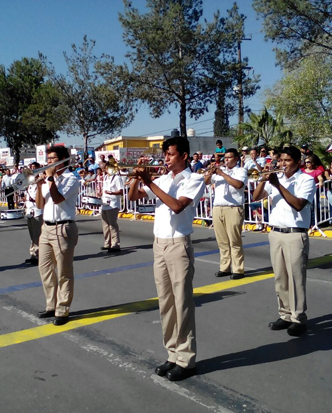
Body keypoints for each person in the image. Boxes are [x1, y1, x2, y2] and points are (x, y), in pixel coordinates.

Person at [128, 136, 205, 382]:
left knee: (182, 302)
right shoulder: (161, 179)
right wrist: (136, 179)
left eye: (170, 154)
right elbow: (133, 198)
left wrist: (150, 180)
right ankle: (172, 353)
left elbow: (177, 206)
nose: (166, 158)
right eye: (165, 154)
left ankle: (186, 358)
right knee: (165, 303)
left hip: (178, 244)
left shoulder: (194, 179)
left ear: (183, 155)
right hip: (159, 244)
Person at [252, 146, 315, 337]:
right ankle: (285, 314)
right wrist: (264, 180)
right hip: (276, 232)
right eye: (280, 161)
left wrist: (278, 185)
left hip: (295, 233)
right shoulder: (275, 178)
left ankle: (298, 318)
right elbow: (255, 197)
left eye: (287, 161)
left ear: (297, 161)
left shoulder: (306, 179)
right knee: (280, 277)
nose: (282, 164)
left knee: (296, 278)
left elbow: (298, 204)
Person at [35, 146, 80, 326]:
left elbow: (58, 199)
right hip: (46, 227)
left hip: (63, 228)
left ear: (63, 161)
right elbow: (40, 204)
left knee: (64, 271)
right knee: (44, 269)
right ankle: (50, 305)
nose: (49, 162)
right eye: (49, 159)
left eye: (53, 159)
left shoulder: (72, 179)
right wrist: (39, 185)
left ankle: (63, 309)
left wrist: (51, 178)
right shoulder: (47, 180)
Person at [204, 148, 247, 279]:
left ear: (236, 158)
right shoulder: (218, 172)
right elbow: (205, 182)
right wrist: (210, 172)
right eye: (225, 158)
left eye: (229, 157)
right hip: (218, 207)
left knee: (234, 240)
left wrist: (222, 174)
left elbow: (238, 184)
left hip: (233, 208)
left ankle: (238, 269)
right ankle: (225, 267)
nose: (226, 160)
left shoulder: (240, 171)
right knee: (222, 241)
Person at [101, 163, 124, 252]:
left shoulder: (117, 178)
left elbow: (121, 191)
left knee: (112, 225)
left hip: (113, 204)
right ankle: (107, 243)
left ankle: (115, 244)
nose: (106, 170)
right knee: (105, 226)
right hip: (104, 204)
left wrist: (112, 193)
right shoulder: (106, 177)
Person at [24, 162, 43, 265]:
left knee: (37, 234)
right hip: (29, 210)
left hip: (37, 210)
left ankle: (39, 255)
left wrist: (38, 182)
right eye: (31, 169)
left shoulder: (40, 182)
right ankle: (33, 254)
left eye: (34, 168)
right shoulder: (30, 183)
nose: (32, 171)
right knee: (32, 235)